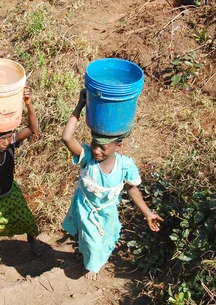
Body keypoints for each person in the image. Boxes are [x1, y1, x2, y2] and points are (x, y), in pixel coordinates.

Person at [61, 89, 163, 280]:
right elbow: (66, 138)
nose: (97, 150)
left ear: (118, 146)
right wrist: (80, 105)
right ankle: (91, 266)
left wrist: (148, 213)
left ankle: (91, 258)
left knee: (102, 239)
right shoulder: (88, 157)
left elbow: (132, 189)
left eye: (103, 147)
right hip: (86, 208)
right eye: (94, 143)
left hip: (107, 212)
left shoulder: (125, 165)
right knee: (91, 240)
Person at [0, 87, 43, 261]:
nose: (6, 142)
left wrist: (29, 105)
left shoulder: (11, 144)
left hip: (11, 193)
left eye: (8, 137)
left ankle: (33, 242)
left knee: (27, 219)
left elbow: (33, 129)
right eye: (1, 139)